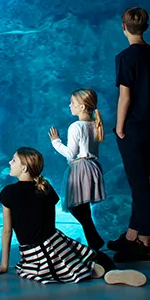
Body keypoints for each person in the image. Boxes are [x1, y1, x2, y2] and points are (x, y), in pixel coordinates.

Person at [0, 147, 146, 287]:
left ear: (24, 168)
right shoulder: (46, 187)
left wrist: (3, 265)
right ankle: (105, 269)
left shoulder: (8, 192)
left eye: (13, 160)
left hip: (35, 254)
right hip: (57, 242)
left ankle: (84, 269)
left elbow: (7, 231)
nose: (9, 162)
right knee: (89, 253)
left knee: (40, 269)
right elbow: (49, 223)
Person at [108, 6, 150, 263]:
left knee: (139, 185)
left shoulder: (125, 57)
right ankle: (132, 235)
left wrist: (120, 127)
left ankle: (146, 243)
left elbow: (125, 96)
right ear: (145, 27)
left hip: (132, 128)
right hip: (149, 125)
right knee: (139, 182)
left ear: (123, 27)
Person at [48, 88, 107, 252]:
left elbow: (71, 153)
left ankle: (94, 240)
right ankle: (94, 241)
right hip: (93, 167)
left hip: (80, 168)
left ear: (82, 107)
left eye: (73, 102)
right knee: (82, 206)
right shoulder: (96, 124)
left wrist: (56, 142)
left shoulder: (76, 126)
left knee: (75, 206)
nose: (70, 105)